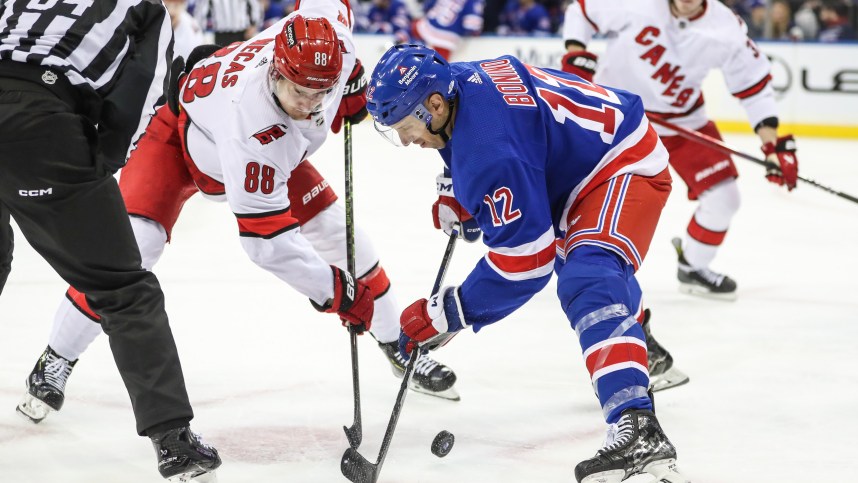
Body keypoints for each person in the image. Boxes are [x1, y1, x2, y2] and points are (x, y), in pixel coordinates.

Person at [17, 0, 462, 427]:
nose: (310, 103)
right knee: (133, 251)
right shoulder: (253, 125)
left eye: (321, 91)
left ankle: (397, 343)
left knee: (339, 233)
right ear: (276, 70)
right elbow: (267, 245)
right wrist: (337, 294)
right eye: (300, 91)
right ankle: (56, 357)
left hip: (263, 148)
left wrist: (350, 84)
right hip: (177, 140)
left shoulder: (332, 43)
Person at [366, 44, 689, 483]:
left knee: (588, 273)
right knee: (588, 273)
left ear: (434, 105)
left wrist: (447, 313)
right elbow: (474, 133)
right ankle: (639, 346)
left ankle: (639, 428)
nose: (405, 140)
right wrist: (454, 187)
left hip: (619, 163)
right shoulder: (455, 82)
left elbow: (526, 263)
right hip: (573, 160)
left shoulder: (490, 150)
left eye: (405, 127)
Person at [0, 0, 220, 480]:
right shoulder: (147, 10)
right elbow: (140, 96)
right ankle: (174, 442)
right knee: (123, 291)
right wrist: (98, 163)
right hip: (43, 121)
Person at [562, 0, 800, 300]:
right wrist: (576, 53)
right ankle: (552, 255)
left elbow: (754, 87)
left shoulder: (725, 27)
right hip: (618, 114)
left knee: (724, 199)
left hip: (682, 122)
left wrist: (772, 146)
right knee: (574, 190)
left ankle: (693, 266)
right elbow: (580, 11)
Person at [411, 0, 485, 60]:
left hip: (423, 27)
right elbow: (471, 25)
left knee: (411, 61)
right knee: (436, 69)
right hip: (446, 39)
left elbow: (427, 6)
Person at [194, 0, 264, 45]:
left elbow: (256, 7)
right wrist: (203, 31)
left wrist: (254, 25)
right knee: (223, 61)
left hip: (242, 32)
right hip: (221, 34)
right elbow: (200, 12)